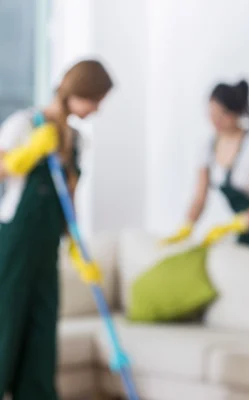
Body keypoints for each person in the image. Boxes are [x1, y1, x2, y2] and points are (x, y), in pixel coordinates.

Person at [0, 59, 113, 399]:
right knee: (6, 325)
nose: (97, 108)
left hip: (48, 247)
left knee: (41, 333)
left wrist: (78, 248)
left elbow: (70, 201)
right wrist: (30, 151)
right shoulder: (26, 122)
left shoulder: (78, 140)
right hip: (15, 244)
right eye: (95, 99)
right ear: (79, 92)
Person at [162, 79, 249, 252]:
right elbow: (200, 197)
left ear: (236, 112)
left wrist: (239, 223)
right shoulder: (207, 149)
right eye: (211, 113)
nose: (215, 120)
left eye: (222, 114)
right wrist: (186, 225)